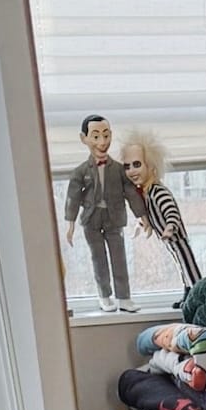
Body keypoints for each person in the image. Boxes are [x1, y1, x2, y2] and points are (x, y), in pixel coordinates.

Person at [64, 113, 146, 311]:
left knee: (119, 258)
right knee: (98, 259)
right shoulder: (81, 171)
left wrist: (142, 216)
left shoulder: (118, 169)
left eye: (106, 135)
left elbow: (131, 193)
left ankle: (124, 297)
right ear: (84, 139)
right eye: (95, 136)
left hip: (114, 218)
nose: (102, 142)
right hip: (91, 219)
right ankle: (104, 295)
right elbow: (73, 196)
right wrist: (70, 223)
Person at [121, 130, 201, 300]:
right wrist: (141, 225)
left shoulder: (158, 192)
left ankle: (198, 293)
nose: (131, 171)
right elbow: (150, 215)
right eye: (127, 166)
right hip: (168, 241)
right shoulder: (146, 194)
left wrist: (170, 227)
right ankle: (188, 292)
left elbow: (170, 211)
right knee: (180, 265)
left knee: (187, 264)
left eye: (137, 164)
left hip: (177, 238)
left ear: (151, 166)